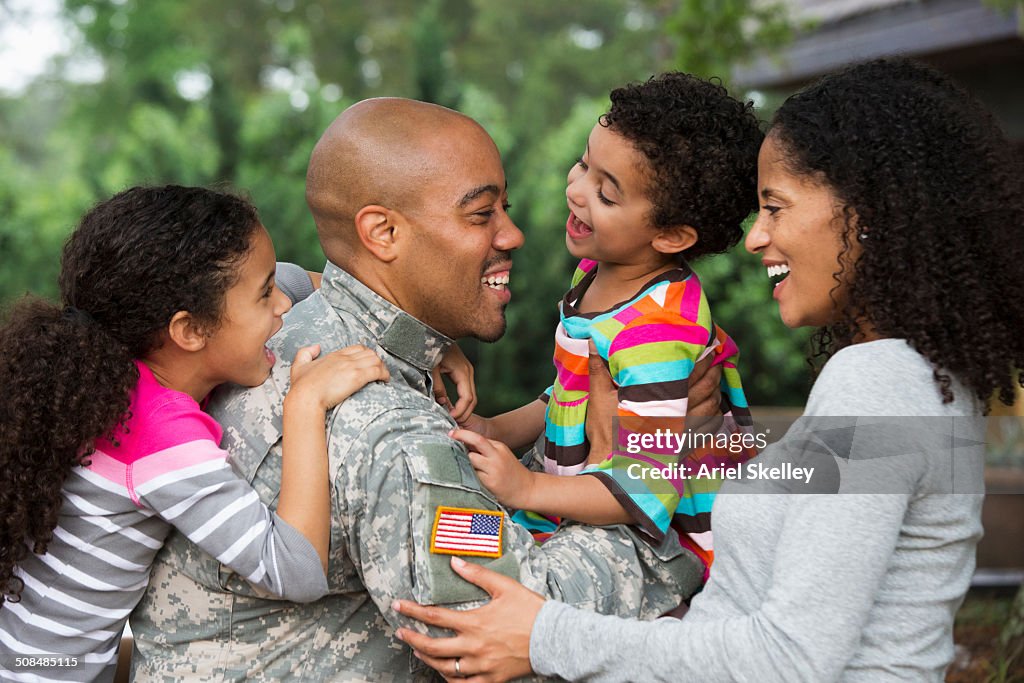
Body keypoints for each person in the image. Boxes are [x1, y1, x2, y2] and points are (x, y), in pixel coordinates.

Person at [394, 57, 1024, 682]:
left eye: (776, 208)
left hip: (623, 549)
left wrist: (542, 638)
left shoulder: (880, 382)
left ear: (870, 216)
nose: (755, 239)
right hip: (614, 539)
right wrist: (693, 433)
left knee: (446, 577)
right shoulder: (914, 381)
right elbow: (812, 491)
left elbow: (790, 658)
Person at [127, 98, 720, 681]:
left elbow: (467, 517)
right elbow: (502, 624)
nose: (512, 235)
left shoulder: (274, 328)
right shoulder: (395, 435)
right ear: (382, 232)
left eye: (504, 208)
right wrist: (655, 505)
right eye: (481, 214)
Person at [0, 185, 390, 682]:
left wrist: (421, 337)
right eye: (264, 295)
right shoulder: (165, 442)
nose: (282, 308)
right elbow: (298, 570)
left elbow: (292, 277)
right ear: (189, 330)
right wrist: (306, 403)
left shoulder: (122, 372)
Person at [452, 73, 761, 574]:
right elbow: (565, 393)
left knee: (463, 556)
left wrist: (527, 487)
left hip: (648, 543)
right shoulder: (598, 271)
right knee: (444, 533)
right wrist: (493, 428)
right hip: (571, 499)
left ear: (671, 236)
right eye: (583, 164)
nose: (576, 190)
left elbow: (645, 488)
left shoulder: (656, 333)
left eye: (607, 195)